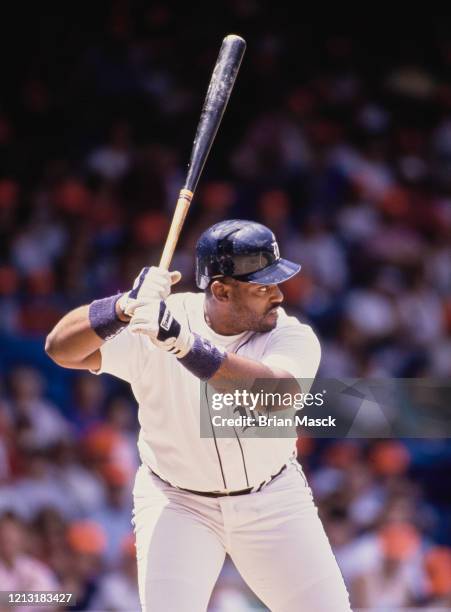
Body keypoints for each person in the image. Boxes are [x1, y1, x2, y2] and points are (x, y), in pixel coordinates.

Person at [45, 219, 351, 611]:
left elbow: (275, 394)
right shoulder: (159, 319)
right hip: (179, 503)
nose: (278, 295)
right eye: (263, 287)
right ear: (221, 290)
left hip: (273, 498)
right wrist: (121, 307)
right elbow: (60, 349)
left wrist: (183, 344)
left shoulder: (289, 334)